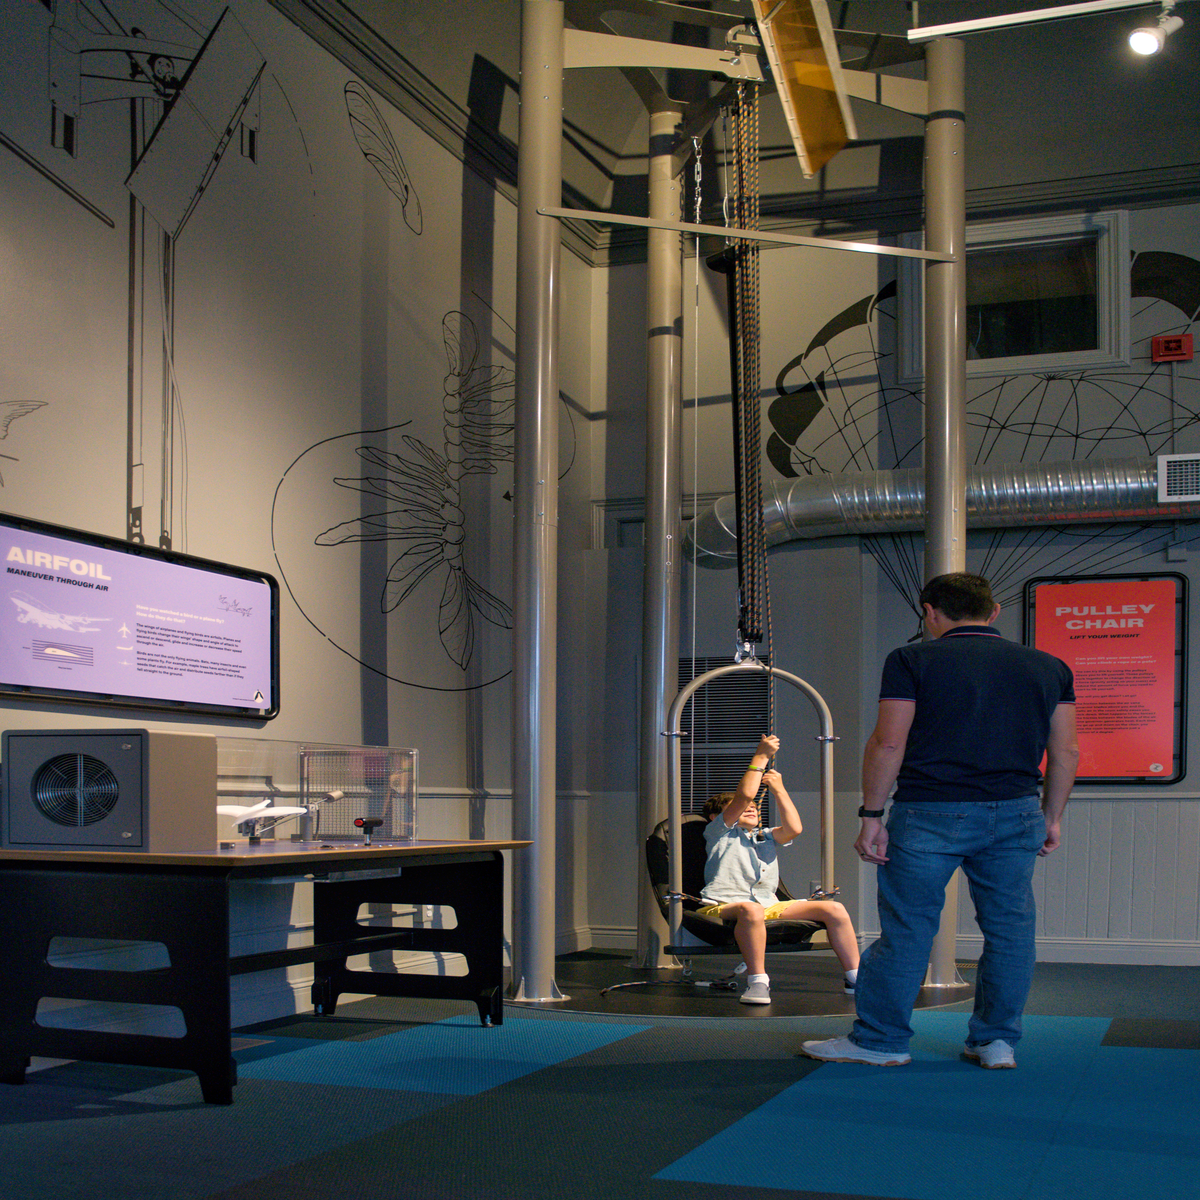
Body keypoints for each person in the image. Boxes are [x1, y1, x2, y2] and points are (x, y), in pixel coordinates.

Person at [801, 573, 1079, 1068]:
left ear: (929, 612)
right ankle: (995, 1042)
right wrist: (1051, 817)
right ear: (993, 612)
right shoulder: (1049, 667)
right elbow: (1066, 751)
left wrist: (871, 814)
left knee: (908, 929)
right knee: (1010, 931)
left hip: (929, 812)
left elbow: (889, 742)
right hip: (1016, 811)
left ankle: (880, 1042)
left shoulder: (911, 660)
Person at [699, 733, 861, 1005]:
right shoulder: (718, 832)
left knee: (834, 909)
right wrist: (761, 756)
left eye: (754, 807)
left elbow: (794, 828)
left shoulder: (764, 836)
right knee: (750, 909)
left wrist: (779, 789)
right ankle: (758, 982)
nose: (751, 807)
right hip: (724, 903)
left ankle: (855, 978)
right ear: (717, 817)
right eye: (742, 807)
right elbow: (745, 794)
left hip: (767, 904)